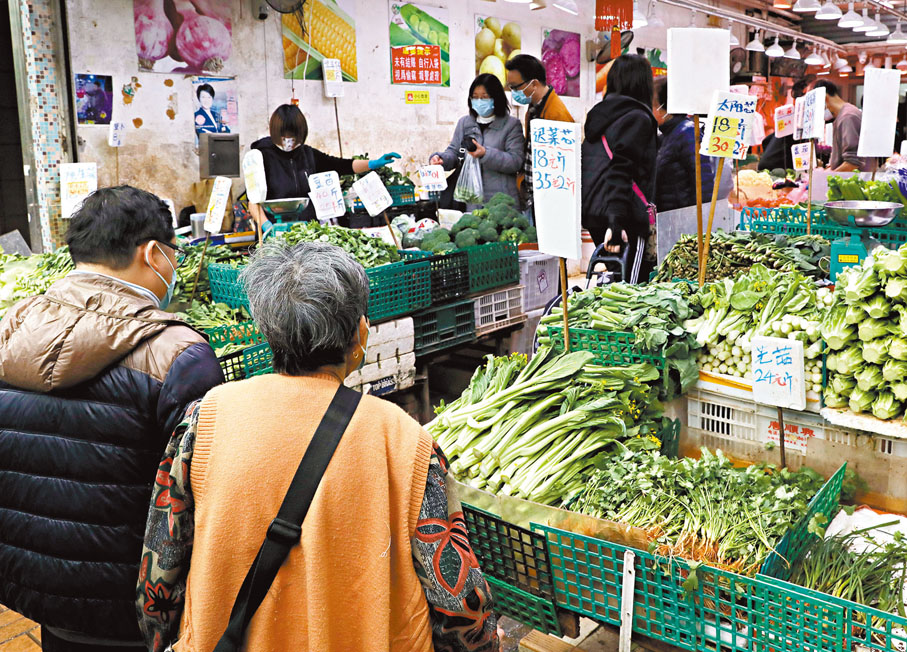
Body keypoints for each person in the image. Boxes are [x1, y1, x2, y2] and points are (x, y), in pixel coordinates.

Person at [138, 241, 500, 652]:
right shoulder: (405, 440)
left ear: (266, 332)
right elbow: (458, 601)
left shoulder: (204, 420)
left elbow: (159, 576)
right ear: (360, 334)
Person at [0, 186, 224, 651]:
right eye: (174, 255)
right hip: (140, 614)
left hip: (40, 595)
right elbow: (210, 493)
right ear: (153, 253)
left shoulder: (10, 329)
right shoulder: (178, 355)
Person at [248, 104, 400, 227]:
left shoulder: (308, 154)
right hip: (274, 232)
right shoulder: (261, 156)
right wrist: (267, 227)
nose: (290, 143)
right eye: (285, 138)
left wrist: (373, 163)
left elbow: (342, 165)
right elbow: (253, 201)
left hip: (306, 230)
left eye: (294, 138)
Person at [581, 54, 658, 284]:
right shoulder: (637, 118)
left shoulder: (600, 115)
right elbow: (621, 170)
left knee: (613, 282)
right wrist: (616, 223)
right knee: (630, 288)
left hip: (595, 211)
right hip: (623, 215)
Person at [430, 73, 524, 208]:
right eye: (475, 97)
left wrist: (485, 154)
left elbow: (515, 161)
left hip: (501, 202)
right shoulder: (465, 123)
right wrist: (441, 159)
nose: (479, 101)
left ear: (496, 98)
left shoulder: (511, 125)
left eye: (484, 97)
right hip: (472, 201)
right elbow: (454, 152)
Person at [505, 54, 574, 214]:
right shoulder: (535, 107)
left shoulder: (557, 115)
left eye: (515, 87)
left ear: (534, 84)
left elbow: (561, 170)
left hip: (550, 200)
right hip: (534, 194)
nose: (513, 92)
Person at [652, 76, 715, 213]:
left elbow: (703, 184)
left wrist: (696, 225)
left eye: (653, 104)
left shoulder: (688, 133)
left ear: (664, 106)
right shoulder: (668, 135)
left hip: (684, 223)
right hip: (671, 221)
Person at [815, 79, 874, 172]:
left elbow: (853, 163)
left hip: (853, 183)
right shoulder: (842, 116)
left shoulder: (848, 117)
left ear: (825, 98)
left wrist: (828, 179)